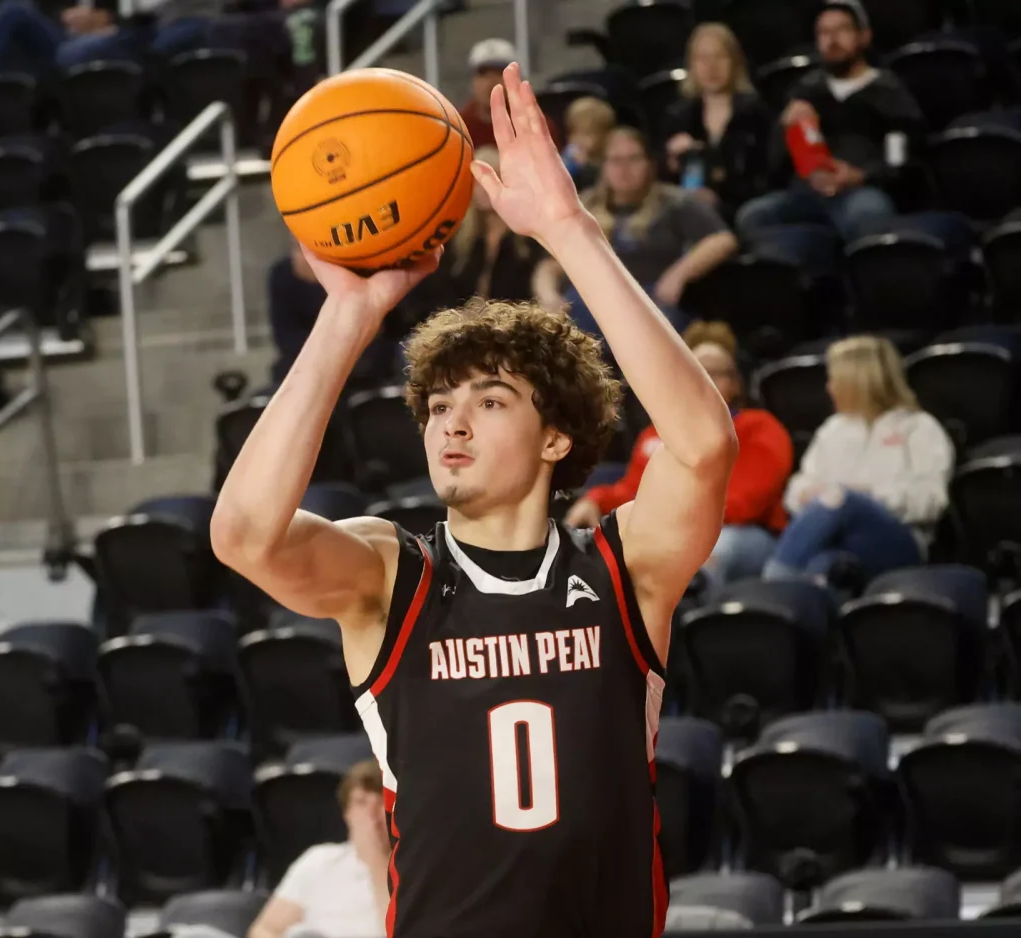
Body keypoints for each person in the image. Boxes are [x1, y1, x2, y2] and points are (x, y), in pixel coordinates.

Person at [212, 62, 738, 938]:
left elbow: (704, 444)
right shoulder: (391, 577)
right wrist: (349, 315)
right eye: (439, 406)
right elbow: (244, 535)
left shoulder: (624, 570)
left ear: (556, 437)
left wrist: (571, 232)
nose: (452, 424)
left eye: (490, 402)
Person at [566, 321, 792, 591]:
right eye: (696, 371)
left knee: (707, 550)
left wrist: (673, 520)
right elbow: (632, 491)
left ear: (735, 384)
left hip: (745, 535)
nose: (705, 380)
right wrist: (595, 500)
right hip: (671, 530)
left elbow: (746, 505)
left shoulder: (760, 427)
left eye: (716, 373)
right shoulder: (656, 434)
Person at [765, 335, 954, 583]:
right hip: (835, 539)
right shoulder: (833, 429)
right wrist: (805, 494)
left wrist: (871, 495)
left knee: (842, 498)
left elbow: (932, 500)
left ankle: (774, 580)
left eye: (834, 379)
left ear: (858, 382)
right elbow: (796, 488)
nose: (828, 388)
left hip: (900, 541)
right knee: (823, 568)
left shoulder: (919, 428)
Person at [735, 0, 925, 245]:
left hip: (860, 190)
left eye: (841, 30)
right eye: (823, 33)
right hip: (805, 193)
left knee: (868, 212)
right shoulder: (804, 91)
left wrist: (860, 175)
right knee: (753, 216)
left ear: (864, 37)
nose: (831, 40)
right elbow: (774, 166)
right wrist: (783, 126)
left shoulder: (888, 92)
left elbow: (901, 160)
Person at [533, 127, 739, 334]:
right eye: (615, 160)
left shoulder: (673, 202)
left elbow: (722, 239)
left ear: (650, 164)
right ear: (603, 166)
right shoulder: (585, 205)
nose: (624, 168)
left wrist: (678, 274)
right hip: (589, 303)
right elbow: (550, 265)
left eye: (633, 159)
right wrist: (549, 296)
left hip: (650, 301)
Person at [401, 146, 547, 319]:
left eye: (493, 178)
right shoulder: (456, 237)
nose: (483, 188)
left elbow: (538, 282)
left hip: (514, 328)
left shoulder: (526, 238)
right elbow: (438, 290)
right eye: (477, 181)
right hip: (460, 330)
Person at [248, 760, 389, 938]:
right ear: (347, 814)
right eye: (361, 803)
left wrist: (377, 859)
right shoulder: (319, 860)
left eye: (382, 804)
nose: (371, 815)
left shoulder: (419, 869)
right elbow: (265, 929)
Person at [661, 22, 771, 222]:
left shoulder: (756, 114)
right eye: (702, 59)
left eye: (720, 57)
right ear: (692, 65)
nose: (711, 67)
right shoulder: (679, 117)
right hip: (688, 212)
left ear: (735, 62)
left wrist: (718, 196)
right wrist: (671, 163)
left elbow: (765, 179)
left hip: (742, 211)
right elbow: (662, 183)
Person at [267, 238, 400, 388]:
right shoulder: (283, 274)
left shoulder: (358, 268)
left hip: (363, 360)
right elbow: (285, 337)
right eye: (297, 247)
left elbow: (385, 328)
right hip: (308, 358)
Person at [0, 0, 218, 76]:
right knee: (13, 10)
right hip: (65, 36)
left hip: (115, 37)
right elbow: (48, 9)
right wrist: (66, 16)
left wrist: (102, 19)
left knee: (77, 53)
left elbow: (139, 16)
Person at [459, 39, 561, 150]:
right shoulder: (459, 124)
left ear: (517, 79)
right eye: (483, 74)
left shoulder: (536, 124)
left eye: (500, 73)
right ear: (472, 81)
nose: (491, 82)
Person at [561, 96, 617, 191]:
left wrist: (587, 166)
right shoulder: (571, 156)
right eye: (574, 132)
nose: (578, 139)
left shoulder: (611, 156)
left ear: (604, 134)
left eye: (586, 133)